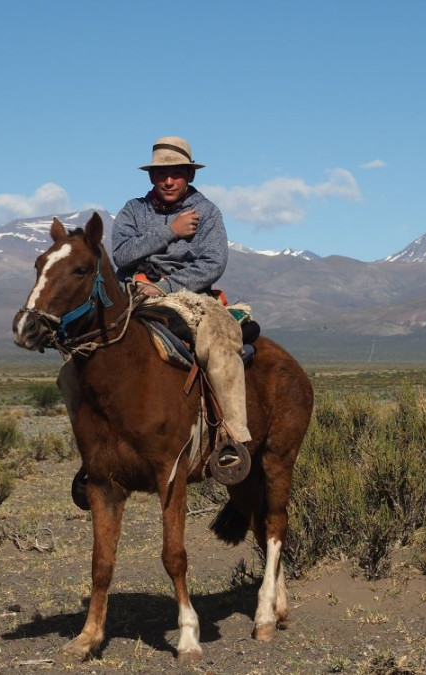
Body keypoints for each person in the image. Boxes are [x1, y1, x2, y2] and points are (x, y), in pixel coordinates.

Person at [111, 136, 251, 484]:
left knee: (218, 344)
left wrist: (165, 287)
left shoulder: (207, 213)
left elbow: (213, 263)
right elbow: (122, 255)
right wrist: (169, 232)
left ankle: (232, 438)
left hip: (191, 298)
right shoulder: (132, 211)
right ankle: (95, 446)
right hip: (133, 295)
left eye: (176, 173)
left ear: (189, 174)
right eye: (161, 174)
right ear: (151, 178)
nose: (168, 180)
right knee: (86, 346)